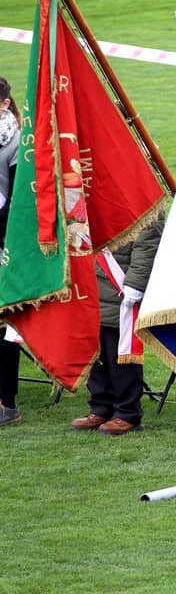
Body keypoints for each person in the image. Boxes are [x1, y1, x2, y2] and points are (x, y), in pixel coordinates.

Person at [71, 220, 163, 434]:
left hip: (120, 284)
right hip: (92, 285)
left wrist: (135, 285)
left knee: (120, 355)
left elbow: (147, 245)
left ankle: (127, 413)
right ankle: (100, 407)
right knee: (96, 354)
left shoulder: (145, 203)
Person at [0, 77, 21, 427]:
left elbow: (20, 202)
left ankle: (7, 401)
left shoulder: (17, 142)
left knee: (4, 325)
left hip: (5, 242)